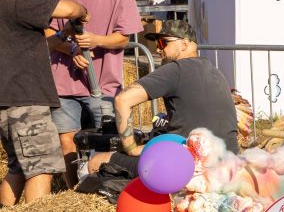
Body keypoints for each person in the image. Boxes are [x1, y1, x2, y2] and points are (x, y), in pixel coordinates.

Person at [41, 0, 142, 188]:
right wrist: (70, 49)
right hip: (63, 83)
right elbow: (45, 32)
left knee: (106, 140)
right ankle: (75, 190)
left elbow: (123, 38)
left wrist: (97, 40)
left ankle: (101, 188)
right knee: (68, 141)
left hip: (104, 84)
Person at [88, 20, 239, 176]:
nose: (159, 49)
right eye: (157, 44)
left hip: (189, 165)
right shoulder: (216, 72)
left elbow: (122, 100)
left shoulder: (177, 69)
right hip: (229, 163)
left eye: (163, 42)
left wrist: (131, 148)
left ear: (184, 44)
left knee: (96, 161)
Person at [0, 0, 87, 206]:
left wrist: (63, 35)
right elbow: (67, 8)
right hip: (26, 98)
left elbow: (31, 47)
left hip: (5, 100)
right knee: (41, 167)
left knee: (18, 168)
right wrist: (81, 10)